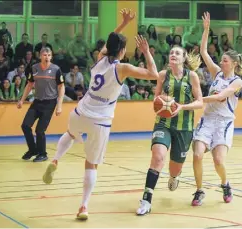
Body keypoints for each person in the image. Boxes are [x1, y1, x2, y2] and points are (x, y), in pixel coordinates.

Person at [41, 9, 159, 220]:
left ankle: (56, 159)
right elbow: (153, 75)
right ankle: (83, 206)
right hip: (100, 121)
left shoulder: (99, 58)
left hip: (81, 111)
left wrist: (122, 24)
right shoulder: (122, 68)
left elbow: (110, 42)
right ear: (122, 51)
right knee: (91, 163)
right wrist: (146, 51)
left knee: (69, 133)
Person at [191, 12, 242, 206]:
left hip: (224, 123)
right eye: (222, 59)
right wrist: (206, 30)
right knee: (197, 154)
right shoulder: (217, 73)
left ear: (234, 64)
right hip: (208, 119)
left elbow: (219, 97)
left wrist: (198, 99)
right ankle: (199, 190)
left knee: (218, 161)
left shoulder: (237, 81)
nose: (221, 62)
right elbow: (203, 52)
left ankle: (225, 184)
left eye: (225, 60)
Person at [136, 45, 204, 215]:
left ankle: (174, 176)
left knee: (174, 169)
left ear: (184, 58)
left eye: (177, 53)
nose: (173, 54)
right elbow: (156, 99)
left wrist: (182, 106)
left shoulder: (192, 76)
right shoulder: (162, 75)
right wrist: (162, 104)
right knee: (158, 157)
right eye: (171, 52)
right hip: (163, 123)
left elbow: (200, 102)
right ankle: (146, 200)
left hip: (184, 128)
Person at [17, 47, 65, 162]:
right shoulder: (34, 68)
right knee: (25, 126)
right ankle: (33, 150)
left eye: (49, 55)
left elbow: (61, 87)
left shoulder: (56, 69)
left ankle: (43, 154)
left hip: (50, 103)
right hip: (37, 101)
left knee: (39, 130)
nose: (47, 57)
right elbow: (29, 84)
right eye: (44, 55)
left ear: (51, 56)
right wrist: (22, 100)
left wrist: (59, 105)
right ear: (40, 56)